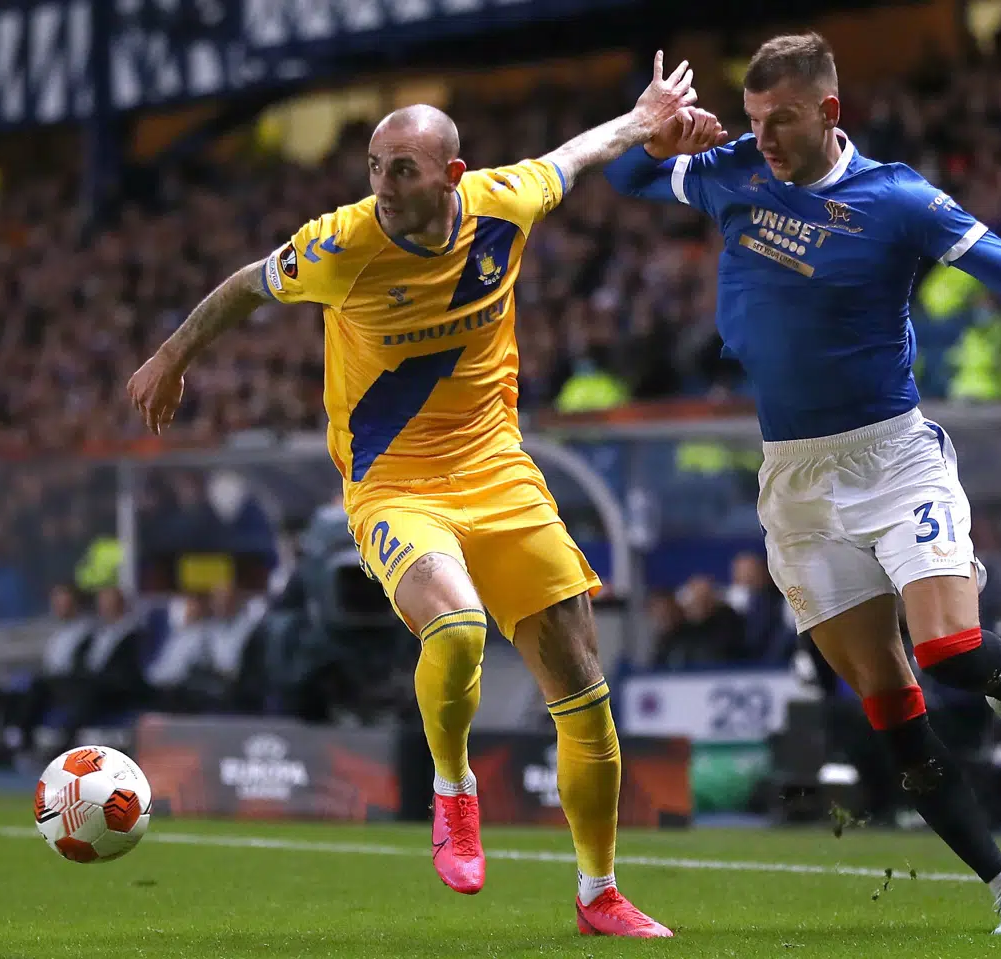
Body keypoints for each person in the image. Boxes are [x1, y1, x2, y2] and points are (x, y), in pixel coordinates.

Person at [605, 32, 1001, 935]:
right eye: (752, 121)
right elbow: (624, 184)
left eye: (780, 120)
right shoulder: (735, 170)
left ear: (829, 112)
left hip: (892, 456)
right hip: (794, 481)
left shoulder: (898, 199)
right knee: (889, 705)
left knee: (948, 651)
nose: (765, 139)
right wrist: (654, 136)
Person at [127, 53, 700, 938]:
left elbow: (573, 158)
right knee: (460, 625)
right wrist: (172, 355)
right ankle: (453, 787)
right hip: (393, 485)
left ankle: (599, 893)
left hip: (499, 472)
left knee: (583, 690)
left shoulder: (503, 205)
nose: (384, 187)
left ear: (452, 176)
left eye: (402, 170)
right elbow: (248, 283)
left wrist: (640, 119)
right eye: (374, 168)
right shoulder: (342, 244)